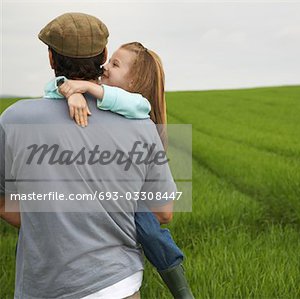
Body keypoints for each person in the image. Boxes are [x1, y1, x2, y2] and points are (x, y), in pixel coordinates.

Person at [0, 12, 178, 299]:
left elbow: (3, 202)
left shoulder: (13, 119)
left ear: (50, 58)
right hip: (118, 284)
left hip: (43, 287)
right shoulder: (141, 125)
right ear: (104, 55)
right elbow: (163, 210)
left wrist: (52, 221)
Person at [43, 42, 194, 298]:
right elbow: (52, 86)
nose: (105, 67)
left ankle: (181, 288)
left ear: (134, 82)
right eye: (109, 60)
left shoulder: (134, 107)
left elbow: (141, 107)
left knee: (151, 232)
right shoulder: (92, 99)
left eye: (115, 64)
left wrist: (88, 87)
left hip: (128, 203)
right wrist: (71, 92)